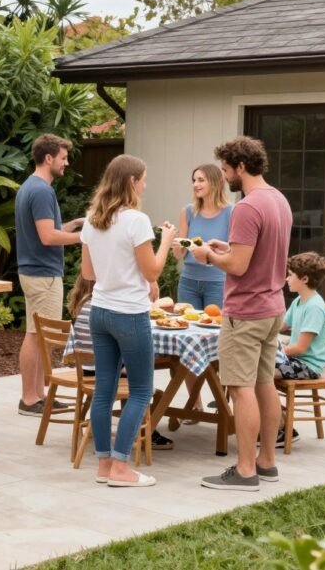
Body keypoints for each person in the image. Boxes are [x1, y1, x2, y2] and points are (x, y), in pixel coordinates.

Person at [191, 136, 292, 491]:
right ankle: (267, 462)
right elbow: (253, 252)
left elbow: (237, 265)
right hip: (272, 307)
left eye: (225, 170)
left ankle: (245, 470)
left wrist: (209, 256)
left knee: (240, 389)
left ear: (241, 167)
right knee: (265, 385)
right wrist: (227, 248)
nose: (224, 176)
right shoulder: (278, 199)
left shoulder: (248, 207)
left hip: (246, 311)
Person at [80, 154, 177, 486]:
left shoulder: (92, 219)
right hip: (129, 314)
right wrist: (164, 241)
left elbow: (88, 273)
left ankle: (104, 464)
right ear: (132, 182)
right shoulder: (137, 220)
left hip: (100, 311)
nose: (145, 184)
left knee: (104, 389)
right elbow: (152, 270)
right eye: (143, 179)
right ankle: (122, 468)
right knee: (141, 390)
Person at [15, 133, 85, 416]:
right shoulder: (42, 191)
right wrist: (85, 237)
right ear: (48, 158)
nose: (66, 163)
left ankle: (38, 396)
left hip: (35, 271)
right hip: (42, 273)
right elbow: (47, 237)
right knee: (37, 335)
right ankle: (30, 399)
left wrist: (75, 224)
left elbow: (49, 229)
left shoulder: (30, 187)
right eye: (63, 158)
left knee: (38, 335)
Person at [67, 275, 175, 450]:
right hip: (101, 369)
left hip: (86, 370)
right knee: (142, 388)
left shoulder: (85, 306)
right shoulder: (112, 308)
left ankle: (106, 449)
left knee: (114, 387)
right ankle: (141, 433)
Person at [172, 164, 233, 421]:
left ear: (215, 182)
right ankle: (193, 405)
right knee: (187, 343)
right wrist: (176, 244)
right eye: (194, 180)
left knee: (220, 345)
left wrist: (211, 251)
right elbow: (179, 254)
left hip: (218, 282)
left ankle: (223, 401)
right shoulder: (187, 212)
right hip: (189, 281)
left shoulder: (232, 212)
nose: (196, 185)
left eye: (201, 180)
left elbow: (233, 252)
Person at [271, 252, 325, 448]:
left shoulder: (314, 307)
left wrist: (274, 350)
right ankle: (277, 417)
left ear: (304, 279)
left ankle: (282, 428)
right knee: (254, 367)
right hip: (295, 361)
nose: (286, 278)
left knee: (261, 373)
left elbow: (300, 348)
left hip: (308, 366)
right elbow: (281, 326)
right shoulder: (299, 301)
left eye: (290, 275)